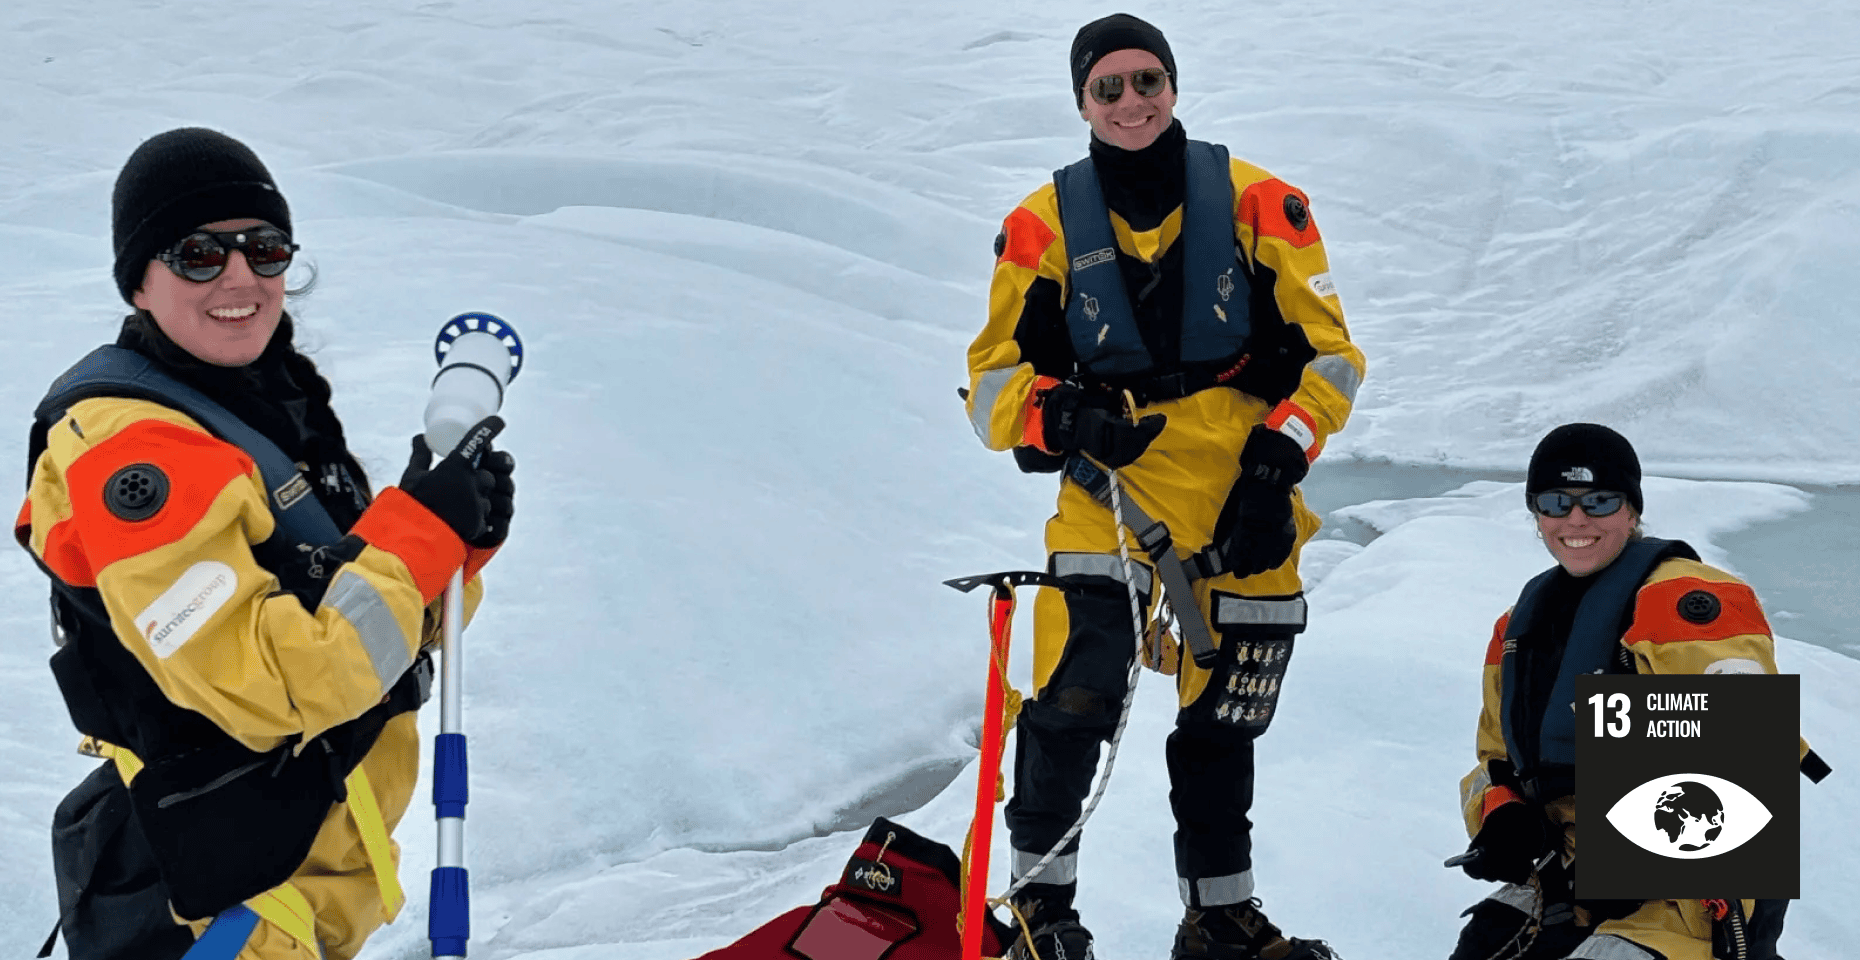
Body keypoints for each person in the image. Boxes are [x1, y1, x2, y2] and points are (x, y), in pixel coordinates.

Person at [15, 127, 516, 960]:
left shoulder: (257, 412)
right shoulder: (134, 456)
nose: (240, 277)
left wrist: (455, 546)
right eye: (198, 253)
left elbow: (357, 625)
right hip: (222, 916)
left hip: (292, 887)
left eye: (264, 248)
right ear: (139, 281)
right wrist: (419, 534)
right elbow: (272, 685)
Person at [962, 13, 1364, 960]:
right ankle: (1036, 916)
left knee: (1224, 727)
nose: (1132, 102)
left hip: (1243, 504)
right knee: (1070, 705)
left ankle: (1220, 918)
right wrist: (1062, 419)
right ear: (1083, 103)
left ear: (1173, 87)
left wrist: (1279, 463)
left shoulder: (1266, 203)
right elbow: (988, 388)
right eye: (1110, 88)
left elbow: (1333, 361)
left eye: (1148, 81)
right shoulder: (1040, 224)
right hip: (1108, 500)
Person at [1448, 423, 1797, 960]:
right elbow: (1496, 758)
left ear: (1632, 511)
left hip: (1692, 889)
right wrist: (1502, 815)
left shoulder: (1688, 602)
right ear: (1536, 513)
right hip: (1571, 869)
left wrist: (1642, 851)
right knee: (1487, 941)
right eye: (1556, 502)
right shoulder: (1519, 626)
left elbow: (1750, 759)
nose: (1576, 519)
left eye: (1600, 501)